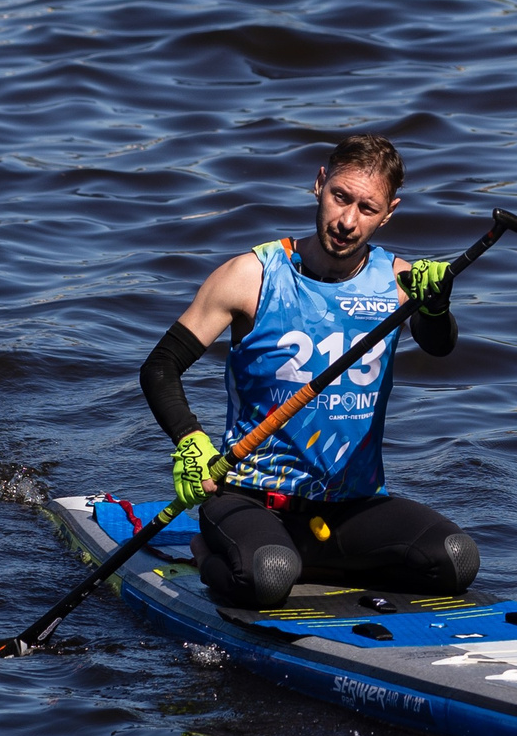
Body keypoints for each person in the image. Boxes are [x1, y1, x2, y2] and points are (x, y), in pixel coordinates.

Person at [136, 134, 482, 611]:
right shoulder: (251, 276)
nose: (346, 221)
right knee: (269, 574)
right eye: (340, 196)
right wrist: (190, 440)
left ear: (389, 213)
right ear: (319, 183)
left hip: (351, 508)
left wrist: (438, 306)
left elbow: (440, 346)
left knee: (456, 560)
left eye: (367, 208)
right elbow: (160, 368)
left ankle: (315, 562)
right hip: (253, 499)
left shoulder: (402, 283)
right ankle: (208, 551)